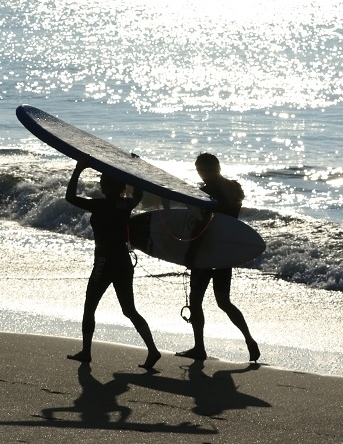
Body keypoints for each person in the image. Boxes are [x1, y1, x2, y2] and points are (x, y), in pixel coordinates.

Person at [65, 157, 161, 369]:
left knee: (90, 305)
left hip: (105, 260)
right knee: (129, 309)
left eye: (101, 181)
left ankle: (86, 352)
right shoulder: (125, 204)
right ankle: (153, 350)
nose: (99, 183)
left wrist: (78, 169)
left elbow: (70, 196)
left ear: (105, 186)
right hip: (123, 261)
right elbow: (138, 194)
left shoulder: (99, 205)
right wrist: (132, 170)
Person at [176, 153, 260, 363]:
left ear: (203, 169)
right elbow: (229, 220)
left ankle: (199, 348)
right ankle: (249, 339)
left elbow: (201, 225)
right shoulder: (235, 188)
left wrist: (190, 253)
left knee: (195, 301)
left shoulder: (205, 192)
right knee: (224, 301)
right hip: (224, 253)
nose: (199, 174)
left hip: (206, 251)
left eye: (199, 170)